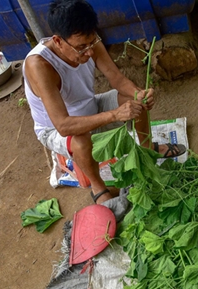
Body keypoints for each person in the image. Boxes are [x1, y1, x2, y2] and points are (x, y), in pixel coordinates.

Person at [23, 0, 186, 205]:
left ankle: (146, 152)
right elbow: (63, 126)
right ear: (58, 41)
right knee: (81, 140)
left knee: (134, 101)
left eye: (91, 43)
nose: (90, 52)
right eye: (81, 47)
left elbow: (117, 79)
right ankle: (98, 187)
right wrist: (115, 115)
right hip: (56, 129)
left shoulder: (89, 41)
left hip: (92, 107)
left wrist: (139, 94)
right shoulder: (40, 65)